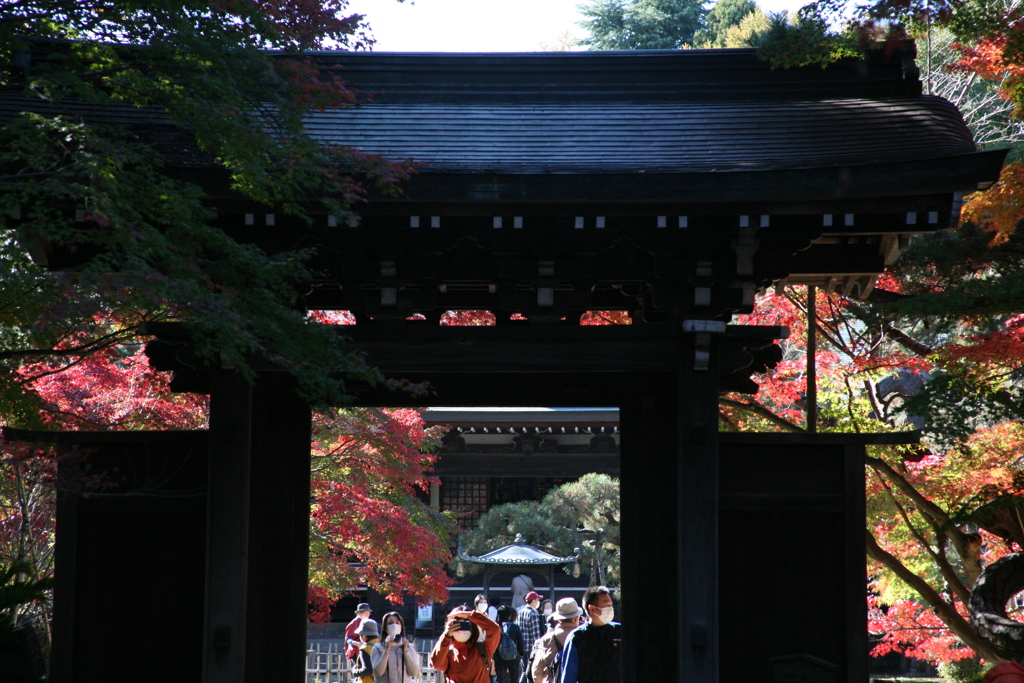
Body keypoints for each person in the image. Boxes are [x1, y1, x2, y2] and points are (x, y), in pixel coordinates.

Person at [559, 586, 621, 683]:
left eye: (611, 605)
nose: (610, 609)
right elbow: (569, 676)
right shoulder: (577, 637)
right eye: (606, 605)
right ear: (592, 608)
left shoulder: (619, 631)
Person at [431, 607, 501, 683]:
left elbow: (495, 630)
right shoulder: (448, 651)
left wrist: (471, 615)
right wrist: (446, 636)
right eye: (457, 625)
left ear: (472, 627)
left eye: (465, 624)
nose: (461, 629)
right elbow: (437, 663)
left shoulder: (483, 649)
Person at [530, 598, 583, 683]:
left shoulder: (547, 639)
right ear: (576, 618)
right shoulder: (584, 637)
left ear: (559, 619)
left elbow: (537, 670)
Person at [371, 611, 421, 683]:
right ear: (385, 628)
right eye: (390, 623)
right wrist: (386, 650)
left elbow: (414, 672)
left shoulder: (409, 647)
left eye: (397, 623)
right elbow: (378, 672)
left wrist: (406, 651)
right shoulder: (377, 647)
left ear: (401, 627)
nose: (394, 625)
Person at [494, 605, 526, 683]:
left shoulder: (495, 626)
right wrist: (521, 654)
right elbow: (520, 642)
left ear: (499, 615)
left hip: (499, 657)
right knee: (514, 679)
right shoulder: (515, 627)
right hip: (514, 657)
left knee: (501, 679)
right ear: (510, 616)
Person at [350, 619, 380, 683]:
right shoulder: (383, 645)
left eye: (360, 635)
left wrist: (354, 671)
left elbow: (367, 670)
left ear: (364, 635)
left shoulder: (365, 648)